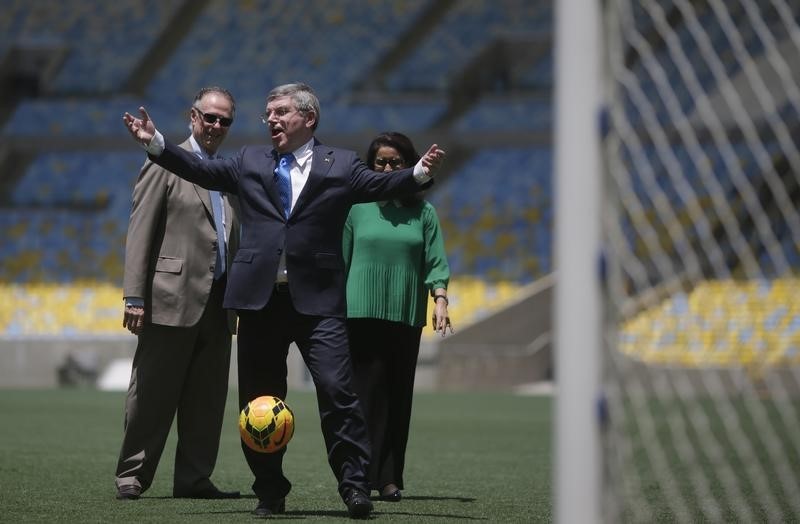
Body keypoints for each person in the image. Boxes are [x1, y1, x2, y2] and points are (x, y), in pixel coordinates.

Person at [121, 82, 446, 519]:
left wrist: (419, 173)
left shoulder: (341, 163)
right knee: (258, 404)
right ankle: (270, 490)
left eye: (280, 111)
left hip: (318, 304)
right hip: (261, 303)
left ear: (308, 118)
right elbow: (200, 171)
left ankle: (354, 487)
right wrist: (157, 144)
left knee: (338, 393)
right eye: (267, 112)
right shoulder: (251, 159)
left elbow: (379, 185)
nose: (270, 118)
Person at [115, 87, 241, 501]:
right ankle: (133, 473)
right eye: (210, 117)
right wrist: (134, 296)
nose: (217, 126)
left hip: (219, 302)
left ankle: (194, 478)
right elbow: (140, 230)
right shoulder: (163, 162)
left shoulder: (227, 172)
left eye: (225, 120)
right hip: (170, 297)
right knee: (152, 393)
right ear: (193, 116)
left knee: (207, 401)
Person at [342, 132, 454, 502]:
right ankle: (358, 476)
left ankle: (389, 478)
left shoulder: (424, 213)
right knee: (361, 399)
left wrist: (440, 299)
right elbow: (341, 260)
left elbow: (435, 261)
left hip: (405, 314)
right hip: (359, 313)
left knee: (397, 398)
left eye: (395, 162)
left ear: (409, 165)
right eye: (380, 162)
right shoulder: (356, 207)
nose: (387, 168)